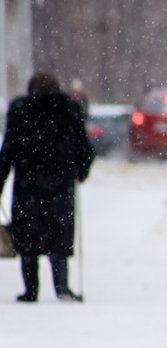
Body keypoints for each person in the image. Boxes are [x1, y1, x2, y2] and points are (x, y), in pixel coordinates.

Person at [0, 72, 94, 303]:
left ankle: (30, 291)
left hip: (27, 186)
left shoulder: (20, 110)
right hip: (59, 186)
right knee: (58, 237)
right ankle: (62, 288)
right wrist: (80, 171)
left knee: (27, 239)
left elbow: (8, 152)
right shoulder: (69, 109)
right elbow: (84, 148)